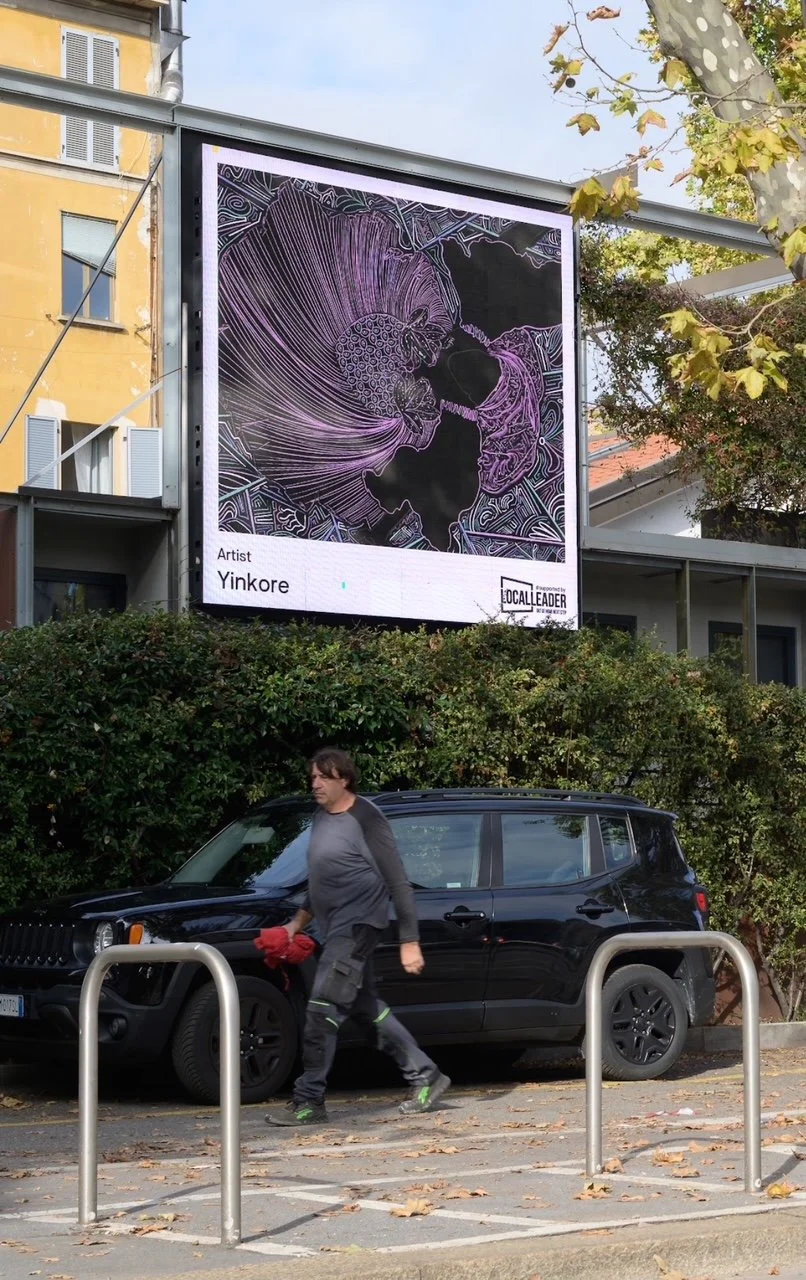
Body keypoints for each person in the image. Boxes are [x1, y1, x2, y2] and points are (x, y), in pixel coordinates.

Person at [265, 747, 450, 1126]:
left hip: (359, 927)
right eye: (312, 777)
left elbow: (398, 880)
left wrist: (409, 940)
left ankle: (309, 1100)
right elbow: (319, 881)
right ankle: (426, 1075)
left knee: (321, 1008)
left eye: (322, 777)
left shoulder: (367, 817)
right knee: (366, 1011)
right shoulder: (321, 818)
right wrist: (295, 925)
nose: (314, 783)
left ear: (343, 779)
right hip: (333, 929)